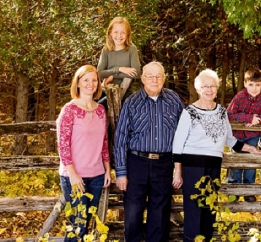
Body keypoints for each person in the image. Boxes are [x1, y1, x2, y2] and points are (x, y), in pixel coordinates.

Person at [172, 69, 261, 242]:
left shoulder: (221, 112)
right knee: (194, 211)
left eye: (212, 86)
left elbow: (229, 139)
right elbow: (178, 143)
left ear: (217, 88)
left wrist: (251, 149)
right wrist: (178, 172)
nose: (209, 90)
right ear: (198, 89)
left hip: (214, 167)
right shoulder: (189, 112)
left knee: (209, 209)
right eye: (205, 86)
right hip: (192, 167)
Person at [113, 61, 184, 242]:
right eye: (150, 76)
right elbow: (120, 139)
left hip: (164, 163)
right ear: (143, 78)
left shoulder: (173, 100)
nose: (154, 79)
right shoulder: (131, 103)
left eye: (158, 76)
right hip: (137, 163)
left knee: (159, 216)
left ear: (164, 79)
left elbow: (186, 132)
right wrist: (121, 172)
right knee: (133, 214)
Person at [56, 65, 111, 241]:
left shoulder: (101, 110)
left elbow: (103, 143)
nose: (91, 83)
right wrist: (72, 174)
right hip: (75, 177)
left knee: (86, 223)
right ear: (78, 83)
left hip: (96, 175)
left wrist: (107, 169)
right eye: (86, 80)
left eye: (94, 80)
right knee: (77, 224)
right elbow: (63, 145)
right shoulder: (69, 110)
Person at [226, 67, 261, 202]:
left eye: (257, 85)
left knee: (251, 161)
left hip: (252, 135)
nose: (254, 88)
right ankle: (234, 190)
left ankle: (249, 190)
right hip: (237, 135)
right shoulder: (240, 97)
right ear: (245, 84)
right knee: (236, 161)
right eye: (251, 84)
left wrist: (260, 120)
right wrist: (248, 118)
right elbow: (229, 113)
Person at [97, 17, 141, 107]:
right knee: (92, 105)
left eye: (123, 32)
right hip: (107, 88)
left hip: (125, 91)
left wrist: (112, 76)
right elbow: (99, 73)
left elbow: (136, 73)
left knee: (105, 106)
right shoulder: (106, 50)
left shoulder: (131, 49)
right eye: (116, 32)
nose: (119, 36)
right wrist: (120, 69)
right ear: (110, 33)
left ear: (127, 34)